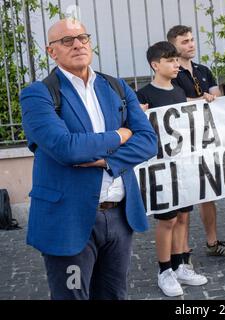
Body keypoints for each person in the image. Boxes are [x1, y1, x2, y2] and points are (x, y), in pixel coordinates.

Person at [19, 19, 158, 300]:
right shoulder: (37, 94)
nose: (78, 44)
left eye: (82, 37)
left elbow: (148, 141)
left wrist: (108, 162)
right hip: (68, 219)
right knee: (73, 296)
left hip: (119, 217)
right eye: (67, 40)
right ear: (51, 51)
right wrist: (119, 135)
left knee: (113, 295)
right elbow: (65, 147)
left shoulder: (116, 87)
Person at [136, 41, 207, 297]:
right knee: (167, 220)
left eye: (176, 60)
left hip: (182, 166)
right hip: (160, 169)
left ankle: (179, 266)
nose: (176, 64)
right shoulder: (143, 96)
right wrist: (138, 113)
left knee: (183, 218)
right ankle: (164, 270)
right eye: (170, 60)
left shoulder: (178, 92)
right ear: (155, 65)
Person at [167, 25, 225, 258]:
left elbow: (216, 92)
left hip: (207, 139)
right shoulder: (172, 72)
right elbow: (177, 101)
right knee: (187, 196)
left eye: (191, 39)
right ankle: (183, 250)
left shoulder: (203, 69)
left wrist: (212, 96)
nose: (191, 44)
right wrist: (202, 99)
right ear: (173, 46)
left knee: (208, 193)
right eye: (185, 42)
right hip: (184, 141)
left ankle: (213, 242)